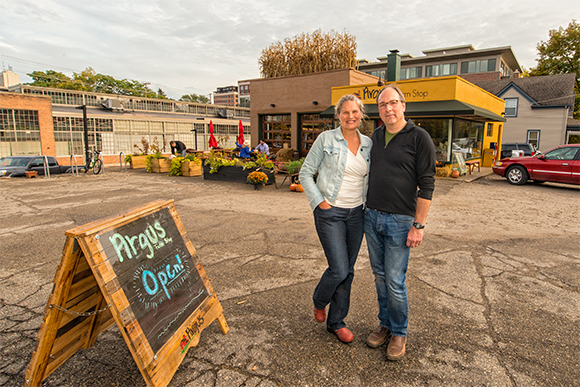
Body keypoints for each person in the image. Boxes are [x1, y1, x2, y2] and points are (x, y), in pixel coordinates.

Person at [364, 84, 436, 360]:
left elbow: (427, 183)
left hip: (400, 221)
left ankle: (399, 332)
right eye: (383, 105)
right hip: (372, 217)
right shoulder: (377, 136)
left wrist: (418, 225)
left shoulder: (419, 137)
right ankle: (384, 324)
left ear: (403, 106)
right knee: (380, 277)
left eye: (393, 103)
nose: (388, 109)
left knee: (395, 280)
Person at [299, 94, 372, 343]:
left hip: (357, 214)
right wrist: (321, 202)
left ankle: (336, 322)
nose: (350, 116)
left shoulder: (369, 144)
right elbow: (305, 173)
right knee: (338, 268)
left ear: (361, 114)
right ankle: (320, 301)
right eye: (345, 112)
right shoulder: (326, 139)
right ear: (338, 115)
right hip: (331, 213)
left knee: (348, 271)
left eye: (355, 112)